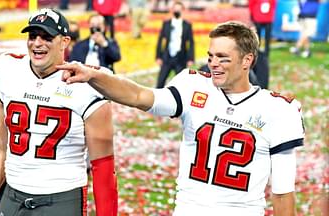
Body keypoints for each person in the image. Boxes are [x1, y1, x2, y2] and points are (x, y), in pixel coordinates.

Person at [59, 21, 305, 215]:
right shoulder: (193, 87)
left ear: (247, 60)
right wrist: (92, 75)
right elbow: (138, 95)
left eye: (223, 57)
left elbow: (283, 192)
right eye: (211, 56)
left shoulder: (277, 110)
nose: (213, 64)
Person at [0, 8, 117, 216]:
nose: (37, 43)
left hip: (60, 199)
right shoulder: (8, 70)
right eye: (32, 36)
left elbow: (103, 164)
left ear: (65, 42)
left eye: (47, 37)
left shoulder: (87, 84)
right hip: (12, 196)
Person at [156, 1, 194, 88]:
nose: (177, 11)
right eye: (175, 9)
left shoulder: (187, 25)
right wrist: (158, 56)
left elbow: (191, 43)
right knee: (160, 82)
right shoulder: (166, 24)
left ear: (183, 11)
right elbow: (160, 40)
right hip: (167, 58)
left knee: (181, 84)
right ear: (172, 10)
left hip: (180, 58)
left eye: (179, 9)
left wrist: (190, 58)